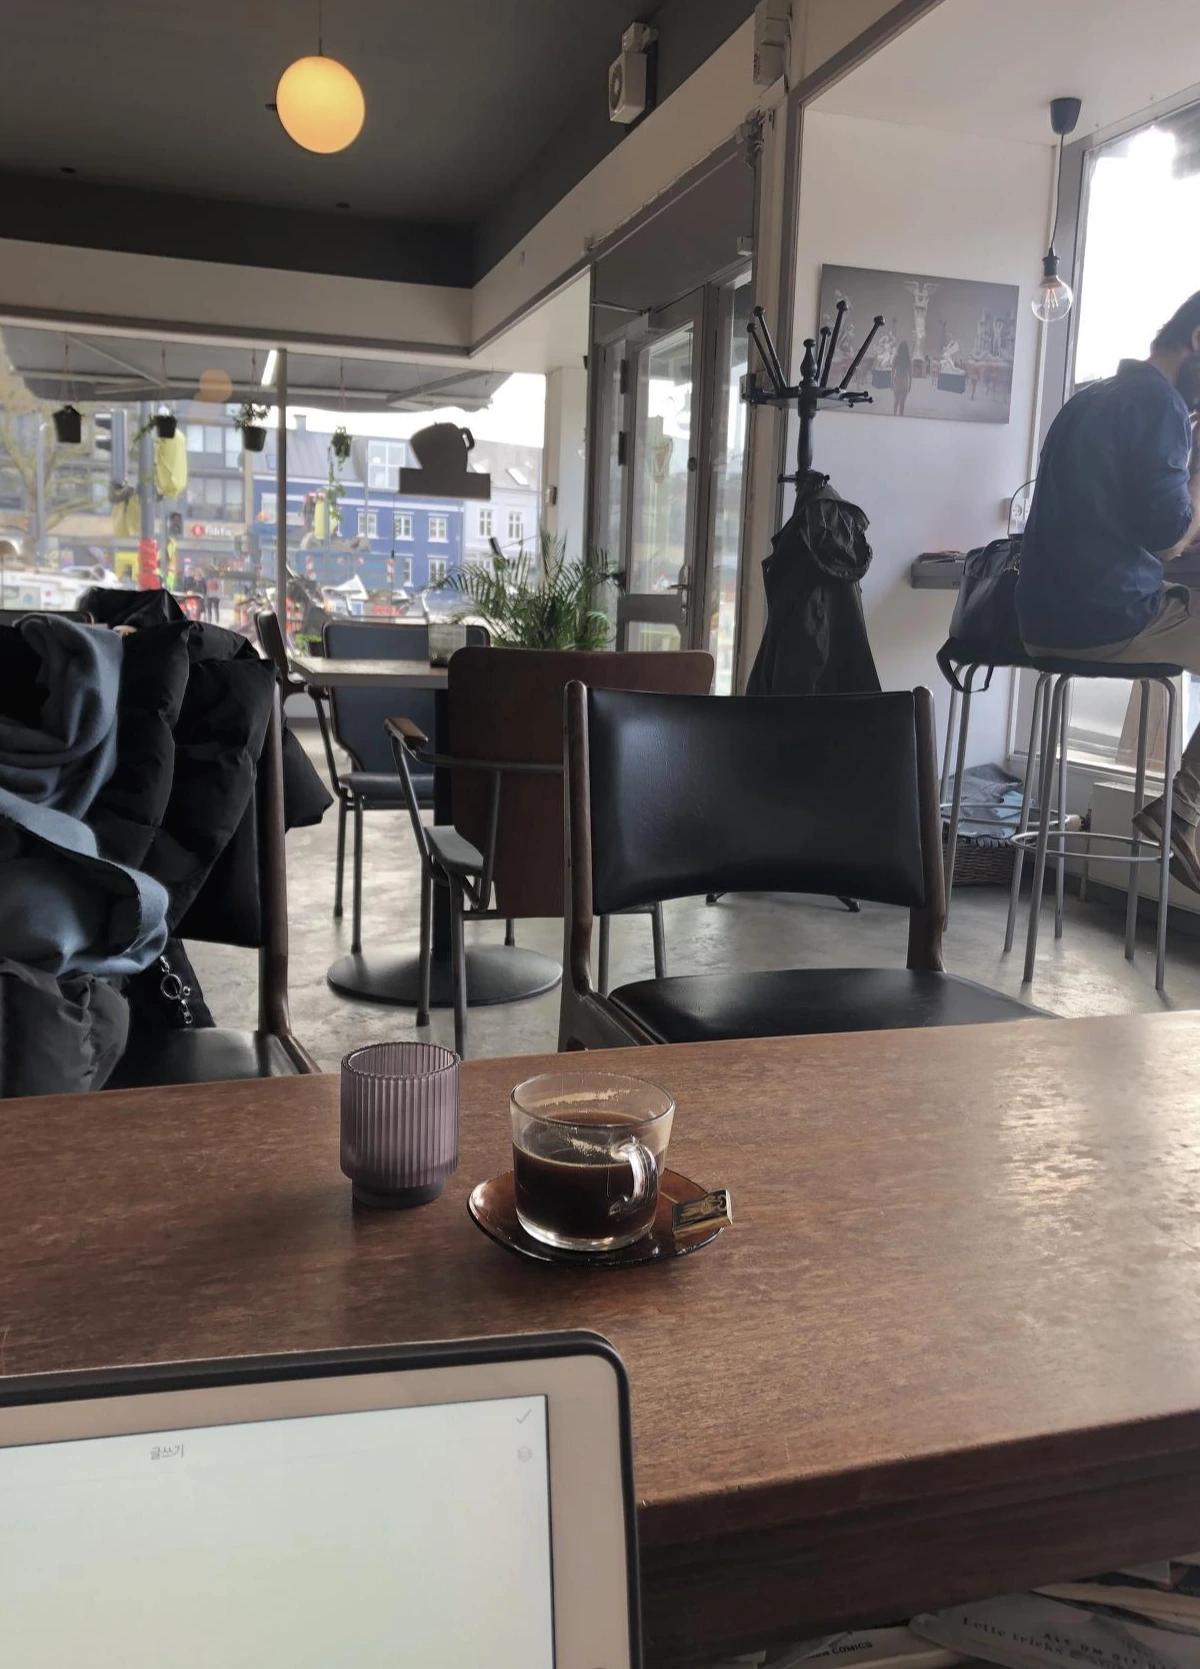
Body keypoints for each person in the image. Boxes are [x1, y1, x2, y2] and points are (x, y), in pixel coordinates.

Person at [1016, 290, 1200, 882]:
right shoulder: (1160, 405)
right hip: (1105, 620)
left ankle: (1181, 809)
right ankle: (1182, 808)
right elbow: (1168, 541)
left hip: (1040, 620)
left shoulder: (1090, 397)